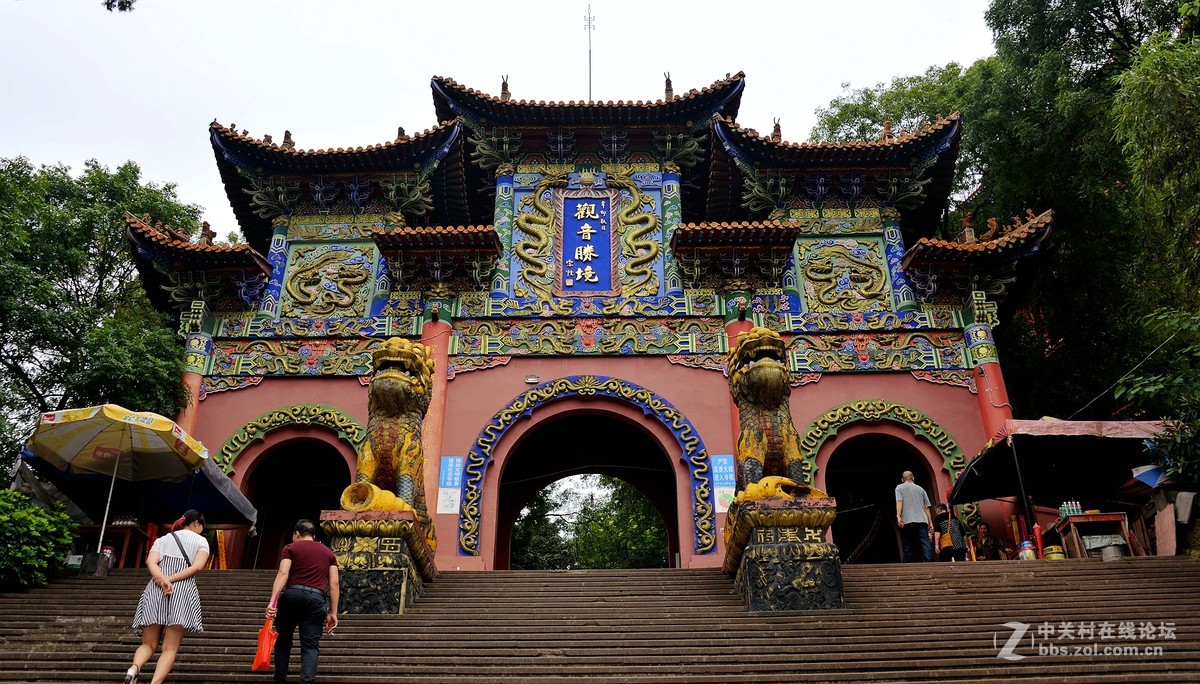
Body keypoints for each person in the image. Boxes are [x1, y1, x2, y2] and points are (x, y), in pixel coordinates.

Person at [123, 509, 210, 684]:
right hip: (182, 591)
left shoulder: (162, 539)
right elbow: (197, 567)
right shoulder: (202, 541)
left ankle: (134, 668)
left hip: (156, 590)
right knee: (169, 648)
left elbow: (151, 562)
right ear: (196, 523)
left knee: (148, 644)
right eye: (202, 526)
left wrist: (162, 579)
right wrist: (171, 579)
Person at [266, 519, 339, 684]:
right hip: (316, 599)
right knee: (310, 646)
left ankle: (279, 680)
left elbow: (283, 573)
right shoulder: (329, 553)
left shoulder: (290, 548)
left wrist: (273, 601)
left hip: (292, 595)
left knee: (283, 641)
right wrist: (333, 612)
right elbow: (334, 583)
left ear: (297, 534)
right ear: (313, 535)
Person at [895, 470, 933, 562]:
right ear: (913, 478)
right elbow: (926, 507)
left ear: (902, 479)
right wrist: (930, 522)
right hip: (922, 519)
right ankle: (928, 561)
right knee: (924, 541)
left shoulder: (899, 488)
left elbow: (899, 501)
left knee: (907, 543)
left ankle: (908, 563)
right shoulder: (921, 489)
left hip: (907, 519)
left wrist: (898, 516)